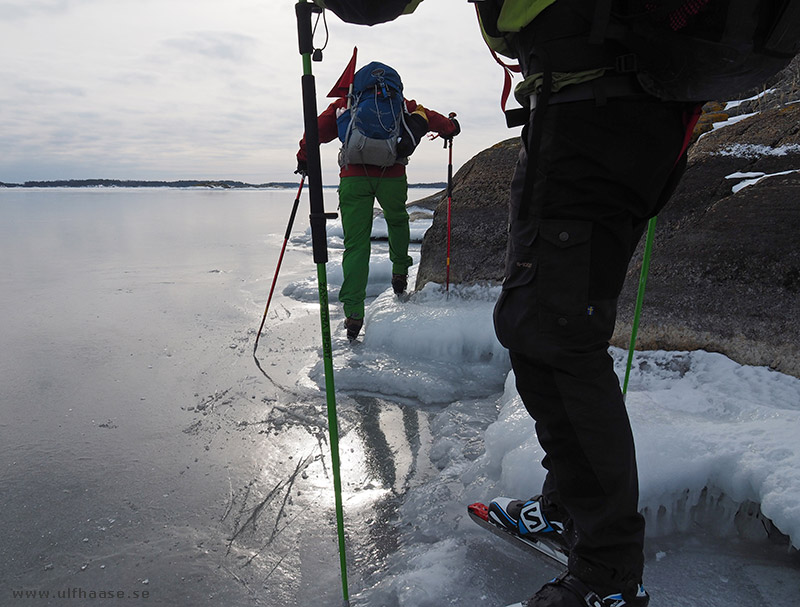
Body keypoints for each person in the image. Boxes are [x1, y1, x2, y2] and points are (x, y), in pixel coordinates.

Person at [308, 2, 701, 606]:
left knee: (553, 332)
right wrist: (450, 127)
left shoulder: (350, 107)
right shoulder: (403, 107)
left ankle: (607, 575)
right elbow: (444, 125)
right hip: (630, 116)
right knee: (542, 326)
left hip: (589, 113)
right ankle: (564, 508)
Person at [296, 61, 460, 341]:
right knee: (397, 219)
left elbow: (316, 131)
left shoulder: (345, 104)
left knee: (356, 245)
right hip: (392, 174)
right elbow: (433, 119)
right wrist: (451, 127)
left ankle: (353, 314)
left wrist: (304, 157)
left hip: (354, 177)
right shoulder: (400, 103)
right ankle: (399, 273)